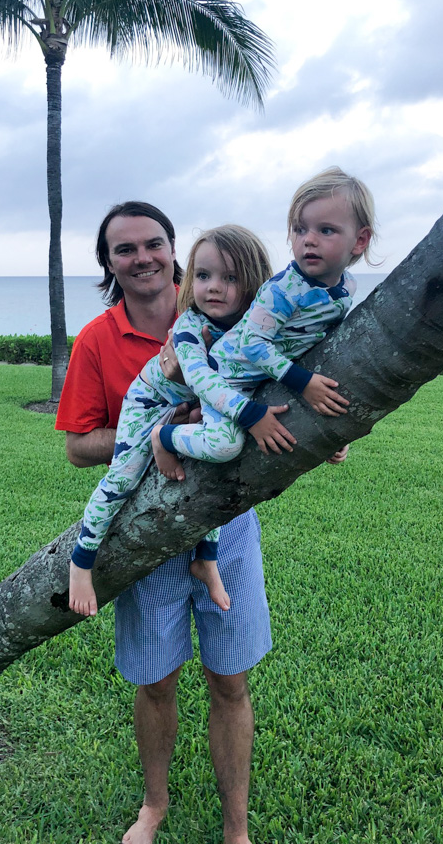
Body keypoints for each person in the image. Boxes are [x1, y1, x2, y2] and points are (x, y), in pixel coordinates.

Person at [56, 202, 274, 844]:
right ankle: (155, 806)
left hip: (226, 525)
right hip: (146, 524)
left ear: (173, 250)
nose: (143, 257)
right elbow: (76, 444)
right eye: (125, 249)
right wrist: (162, 431)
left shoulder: (230, 323)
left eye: (154, 243)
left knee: (230, 681)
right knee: (154, 679)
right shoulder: (97, 339)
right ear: (109, 264)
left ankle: (236, 828)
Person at [68, 225, 294, 617]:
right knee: (123, 476)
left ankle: (206, 559)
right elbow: (199, 378)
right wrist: (247, 414)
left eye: (231, 277)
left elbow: (284, 373)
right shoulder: (190, 325)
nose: (213, 288)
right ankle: (81, 560)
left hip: (205, 403)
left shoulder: (253, 329)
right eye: (204, 276)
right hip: (150, 402)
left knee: (217, 473)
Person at [152, 166, 375, 478]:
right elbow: (252, 343)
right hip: (228, 376)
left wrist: (331, 435)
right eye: (299, 229)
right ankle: (163, 437)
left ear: (360, 240)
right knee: (225, 446)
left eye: (325, 230)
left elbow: (322, 351)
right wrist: (303, 383)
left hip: (266, 379)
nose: (308, 240)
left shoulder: (347, 288)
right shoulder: (282, 290)